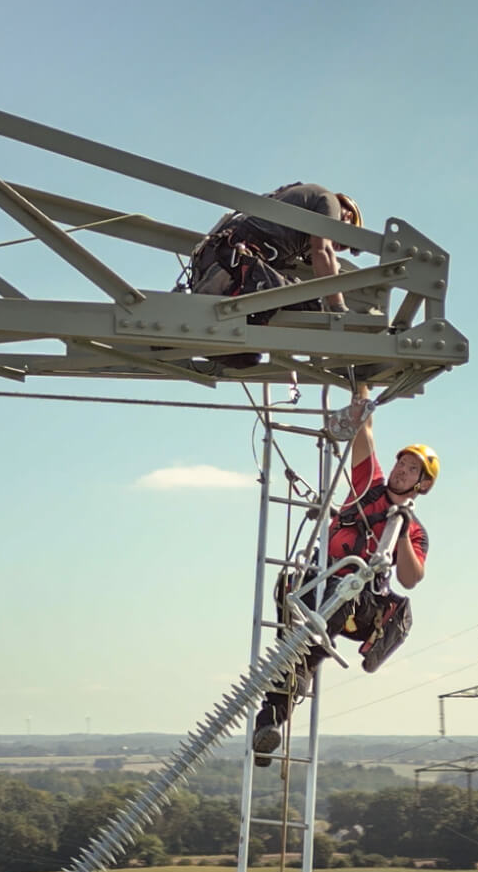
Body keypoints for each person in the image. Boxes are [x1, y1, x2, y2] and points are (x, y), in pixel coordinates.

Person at [253, 385, 436, 766]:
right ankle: (267, 727)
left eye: (412, 468)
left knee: (341, 591)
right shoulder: (369, 485)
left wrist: (399, 529)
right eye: (402, 462)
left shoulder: (414, 530)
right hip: (320, 584)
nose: (402, 470)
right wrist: (362, 382)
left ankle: (297, 670)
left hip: (359, 600)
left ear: (423, 484)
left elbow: (410, 578)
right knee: (290, 591)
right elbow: (363, 428)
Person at [182, 183, 363, 372]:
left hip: (220, 265)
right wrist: (339, 308)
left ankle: (201, 342)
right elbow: (322, 250)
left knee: (247, 356)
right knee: (309, 304)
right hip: (235, 266)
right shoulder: (330, 201)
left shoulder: (295, 204)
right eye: (340, 243)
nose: (336, 248)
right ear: (347, 215)